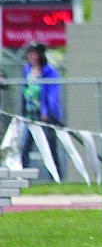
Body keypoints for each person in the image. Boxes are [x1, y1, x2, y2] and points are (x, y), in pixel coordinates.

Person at [20, 41, 62, 177]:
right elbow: (25, 91)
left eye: (34, 54)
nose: (31, 57)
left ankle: (55, 177)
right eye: (29, 54)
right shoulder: (27, 70)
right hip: (30, 115)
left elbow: (52, 95)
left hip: (46, 116)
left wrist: (46, 112)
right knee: (25, 146)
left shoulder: (50, 72)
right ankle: (21, 176)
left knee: (50, 147)